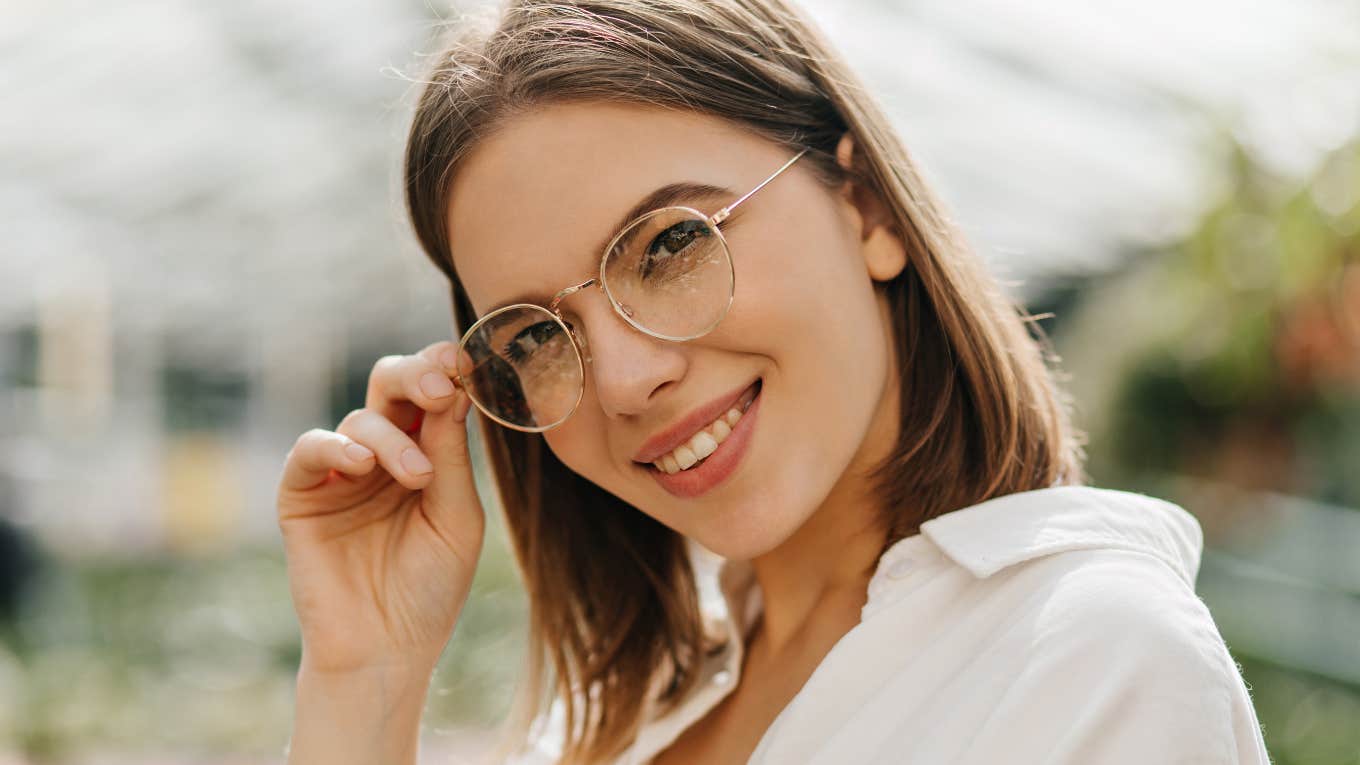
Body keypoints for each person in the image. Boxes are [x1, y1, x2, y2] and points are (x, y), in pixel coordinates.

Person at [275, 1, 1272, 763]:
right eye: (535, 336)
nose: (622, 379)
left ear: (869, 208)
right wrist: (366, 678)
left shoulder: (1090, 664)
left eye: (670, 244)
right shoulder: (638, 700)